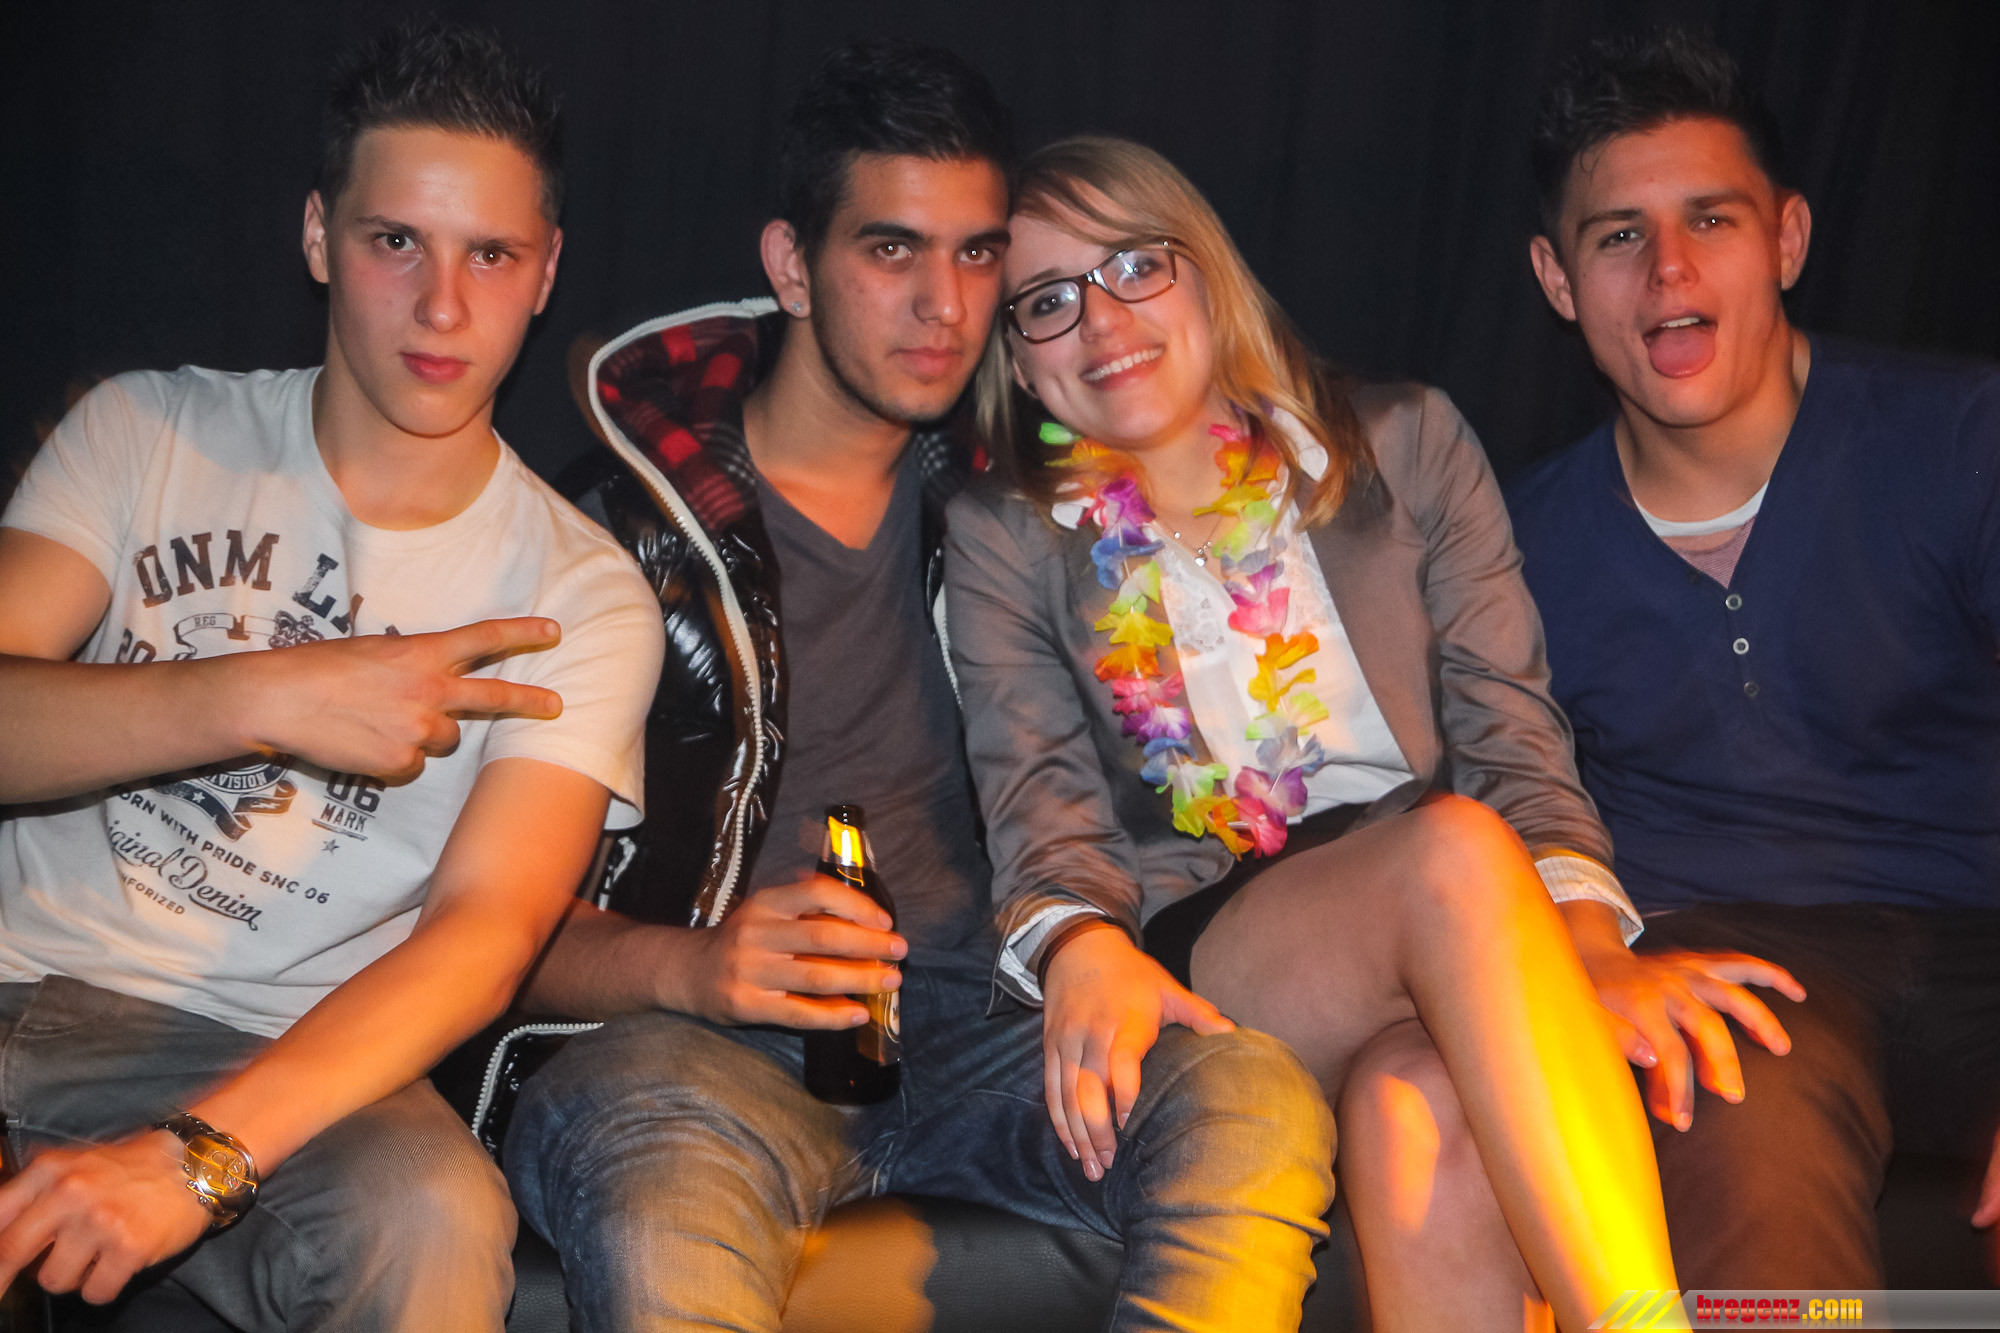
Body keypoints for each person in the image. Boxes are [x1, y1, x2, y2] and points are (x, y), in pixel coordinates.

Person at [503, 41, 1337, 1333]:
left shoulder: (1029, 509)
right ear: (792, 266)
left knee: (1251, 1097)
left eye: (976, 253)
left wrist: (1096, 943)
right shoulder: (610, 535)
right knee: (663, 1218)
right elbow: (477, 923)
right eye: (891, 250)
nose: (944, 304)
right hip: (698, 1049)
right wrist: (699, 964)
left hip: (991, 1019)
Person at [944, 133, 1679, 1333]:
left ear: (1206, 269)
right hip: (1219, 938)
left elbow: (1511, 732)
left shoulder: (1406, 440)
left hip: (1465, 920)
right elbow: (1037, 809)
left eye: (1133, 265)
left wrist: (1588, 942)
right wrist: (1075, 939)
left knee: (1415, 1105)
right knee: (1450, 851)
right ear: (1019, 361)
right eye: (1045, 301)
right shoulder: (1005, 534)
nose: (1100, 320)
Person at [0, 21, 661, 1329]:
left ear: (545, 272)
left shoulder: (578, 593)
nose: (442, 306)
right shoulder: (148, 427)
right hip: (16, 962)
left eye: (490, 254)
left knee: (431, 1216)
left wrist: (197, 1156)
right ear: (318, 236)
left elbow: (487, 935)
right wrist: (265, 696)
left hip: (265, 1049)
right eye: (395, 240)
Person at [1502, 27, 2000, 1284]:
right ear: (1556, 280)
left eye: (1709, 220)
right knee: (1730, 1117)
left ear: (1785, 238)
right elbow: (1492, 806)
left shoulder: (1960, 441)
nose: (1666, 268)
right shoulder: (1510, 545)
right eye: (1617, 235)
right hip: (1728, 959)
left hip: (1981, 934)